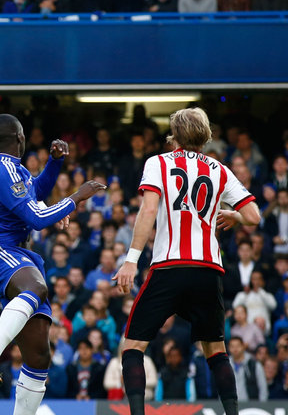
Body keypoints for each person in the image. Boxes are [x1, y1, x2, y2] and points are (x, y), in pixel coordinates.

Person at [112, 107, 261, 415]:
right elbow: (253, 216)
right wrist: (234, 215)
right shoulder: (219, 169)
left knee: (133, 347)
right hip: (208, 269)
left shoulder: (158, 163)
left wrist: (131, 260)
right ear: (205, 136)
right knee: (216, 351)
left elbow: (148, 210)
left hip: (169, 264)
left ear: (174, 135)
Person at [0, 113, 105, 415]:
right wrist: (76, 197)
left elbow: (37, 193)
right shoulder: (3, 169)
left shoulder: (14, 169)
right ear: (19, 137)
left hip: (22, 257)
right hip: (2, 253)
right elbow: (37, 218)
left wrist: (54, 163)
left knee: (39, 355)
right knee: (36, 287)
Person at [228, 336, 268, 401]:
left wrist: (262, 404)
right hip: (230, 404)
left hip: (250, 404)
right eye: (232, 346)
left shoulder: (255, 365)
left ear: (243, 346)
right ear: (228, 348)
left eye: (238, 346)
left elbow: (263, 387)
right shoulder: (225, 366)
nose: (235, 349)